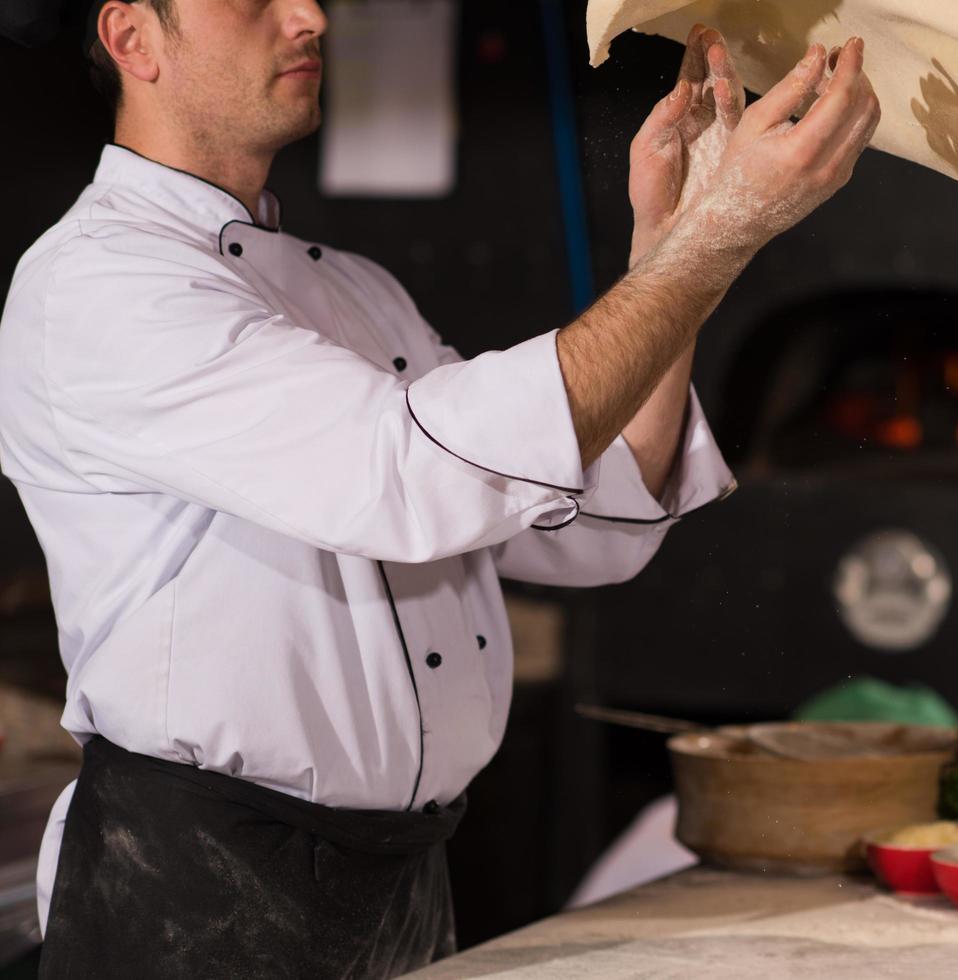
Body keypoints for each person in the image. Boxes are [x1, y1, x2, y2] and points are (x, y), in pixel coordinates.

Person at [0, 0, 881, 975]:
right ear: (133, 39)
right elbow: (409, 474)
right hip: (189, 887)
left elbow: (590, 520)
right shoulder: (101, 283)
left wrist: (670, 245)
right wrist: (711, 241)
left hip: (402, 879)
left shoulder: (357, 293)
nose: (309, 15)